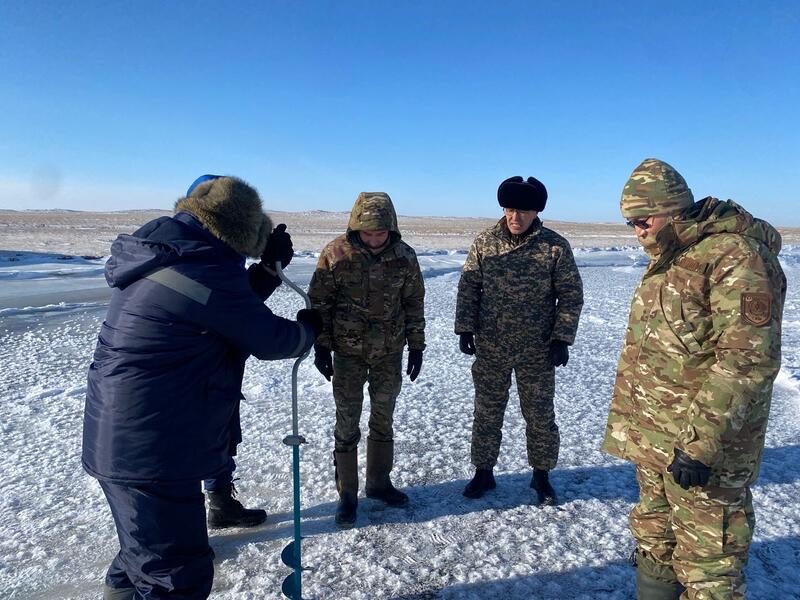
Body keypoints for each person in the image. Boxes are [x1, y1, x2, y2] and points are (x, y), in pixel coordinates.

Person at [82, 175, 322, 600]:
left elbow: (221, 308)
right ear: (236, 228)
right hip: (148, 445)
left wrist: (265, 271)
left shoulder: (177, 253)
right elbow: (263, 335)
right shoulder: (201, 268)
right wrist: (307, 332)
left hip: (136, 436)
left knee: (141, 553)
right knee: (175, 575)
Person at [602, 158, 786, 600]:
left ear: (672, 209)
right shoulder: (671, 256)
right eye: (629, 222)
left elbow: (747, 360)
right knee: (655, 538)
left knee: (708, 566)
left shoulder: (735, 257)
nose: (636, 230)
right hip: (657, 439)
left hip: (706, 451)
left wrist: (700, 442)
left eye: (642, 219)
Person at [454, 175, 583, 504]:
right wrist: (465, 328)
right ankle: (484, 472)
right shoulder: (485, 243)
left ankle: (541, 476)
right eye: (510, 209)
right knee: (486, 412)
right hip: (491, 346)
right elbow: (469, 288)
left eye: (523, 211)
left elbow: (570, 295)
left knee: (540, 415)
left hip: (537, 350)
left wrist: (561, 338)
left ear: (536, 212)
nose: (515, 217)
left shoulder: (554, 246)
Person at [308, 191, 425, 528]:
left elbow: (414, 302)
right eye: (367, 233)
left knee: (383, 417)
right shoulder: (335, 253)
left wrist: (416, 345)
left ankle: (378, 483)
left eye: (381, 233)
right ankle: (347, 493)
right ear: (355, 228)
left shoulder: (405, 256)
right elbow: (320, 305)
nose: (374, 240)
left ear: (392, 229)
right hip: (348, 352)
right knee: (347, 421)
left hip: (390, 350)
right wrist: (321, 346)